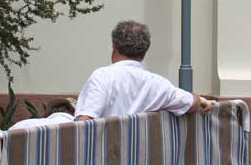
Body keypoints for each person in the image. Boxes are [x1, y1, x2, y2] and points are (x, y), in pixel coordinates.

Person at [73, 20, 213, 120]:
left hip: (104, 157)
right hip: (141, 158)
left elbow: (83, 122)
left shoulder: (102, 77)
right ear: (145, 50)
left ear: (114, 46)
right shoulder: (157, 84)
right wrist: (201, 100)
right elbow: (189, 102)